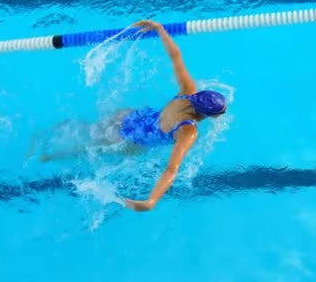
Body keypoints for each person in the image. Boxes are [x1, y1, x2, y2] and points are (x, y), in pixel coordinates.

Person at [34, 19, 228, 212]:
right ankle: (49, 156)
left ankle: (55, 128)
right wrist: (151, 201)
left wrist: (160, 29)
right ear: (208, 115)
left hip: (128, 116)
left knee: (91, 128)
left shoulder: (188, 92)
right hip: (129, 139)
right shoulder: (187, 131)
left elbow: (176, 57)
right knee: (89, 148)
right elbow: (172, 169)